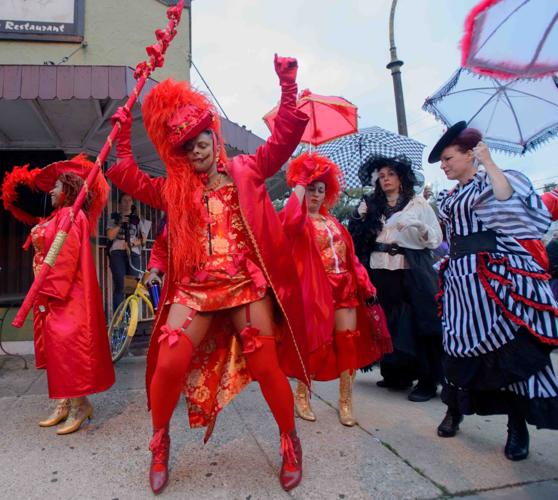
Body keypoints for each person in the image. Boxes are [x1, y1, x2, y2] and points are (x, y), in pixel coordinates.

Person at [107, 55, 310, 494]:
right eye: (186, 148)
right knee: (170, 358)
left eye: (201, 143)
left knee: (264, 361)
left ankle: (289, 441)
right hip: (195, 288)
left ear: (214, 141)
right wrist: (122, 131)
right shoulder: (174, 190)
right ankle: (160, 441)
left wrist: (288, 87)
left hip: (244, 284)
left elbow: (285, 139)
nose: (195, 152)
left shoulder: (246, 171)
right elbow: (126, 175)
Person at [429, 121, 558, 461]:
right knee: (457, 347)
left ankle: (517, 428)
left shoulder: (493, 180)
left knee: (507, 354)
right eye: (442, 161)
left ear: (469, 154)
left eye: (448, 158)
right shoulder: (448, 196)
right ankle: (454, 411)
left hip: (493, 277)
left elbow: (506, 196)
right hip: (459, 280)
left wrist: (488, 162)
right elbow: (445, 235)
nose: (443, 166)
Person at [1, 154, 115, 435]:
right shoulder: (57, 216)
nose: (50, 191)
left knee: (69, 348)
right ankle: (65, 402)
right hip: (51, 291)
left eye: (56, 187)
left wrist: (50, 289)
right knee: (57, 350)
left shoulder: (71, 217)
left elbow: (66, 257)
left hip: (65, 293)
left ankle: (81, 404)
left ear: (69, 191)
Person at [280, 152, 392, 426]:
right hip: (314, 293)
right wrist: (302, 178)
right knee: (311, 345)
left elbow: (350, 258)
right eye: (311, 188)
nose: (316, 195)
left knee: (348, 342)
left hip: (344, 289)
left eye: (321, 189)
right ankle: (302, 395)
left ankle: (345, 402)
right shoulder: (295, 220)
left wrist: (364, 283)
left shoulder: (334, 223)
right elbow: (289, 220)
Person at [349, 156, 444, 402]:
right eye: (382, 176)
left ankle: (426, 380)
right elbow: (359, 239)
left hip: (411, 268)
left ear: (401, 177)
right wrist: (359, 219)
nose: (386, 179)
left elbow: (435, 237)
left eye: (391, 174)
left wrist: (418, 227)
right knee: (386, 320)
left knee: (417, 322)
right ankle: (396, 374)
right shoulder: (371, 205)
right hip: (380, 268)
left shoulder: (417, 204)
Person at [107, 193, 151, 312]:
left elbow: (143, 239)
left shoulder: (137, 219)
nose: (127, 203)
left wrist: (133, 244)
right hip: (117, 253)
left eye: (129, 200)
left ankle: (129, 321)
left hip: (133, 253)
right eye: (124, 200)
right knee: (120, 285)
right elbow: (110, 236)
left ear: (132, 203)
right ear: (120, 204)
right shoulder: (114, 217)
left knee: (130, 287)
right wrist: (121, 222)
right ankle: (118, 320)